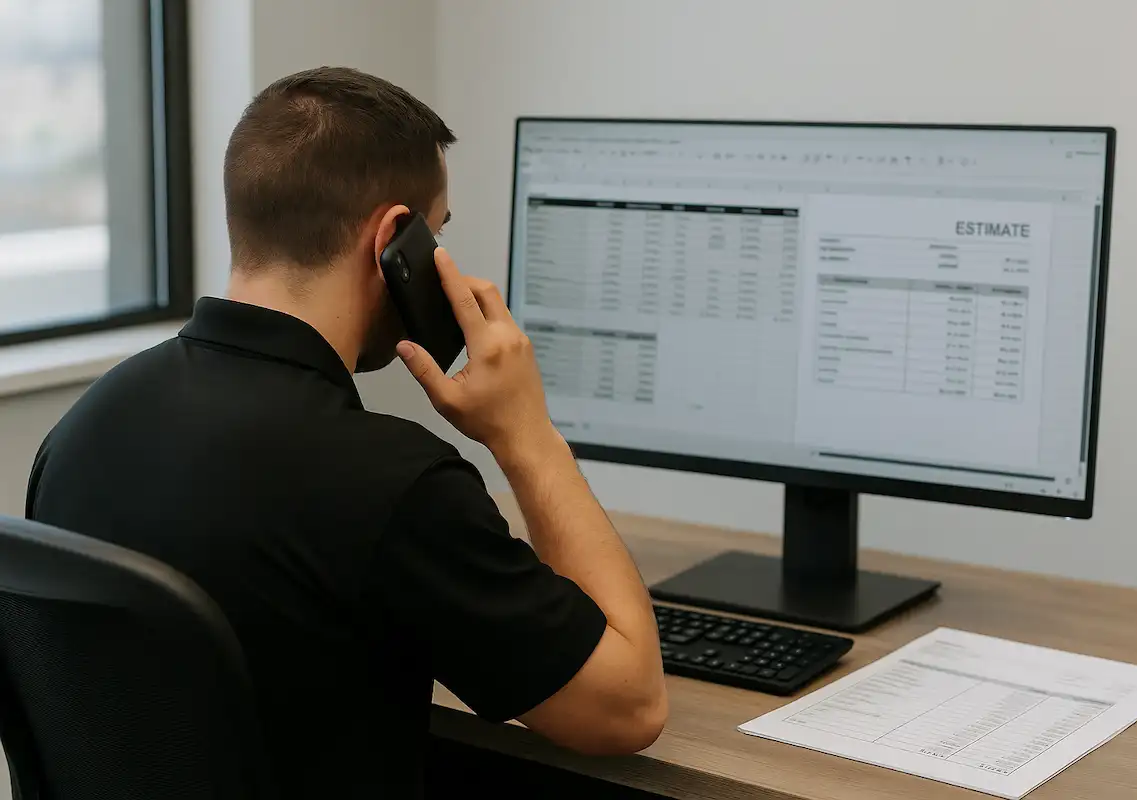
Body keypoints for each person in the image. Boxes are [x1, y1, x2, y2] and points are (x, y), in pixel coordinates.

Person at [25, 66, 667, 798]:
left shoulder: (84, 428)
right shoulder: (392, 483)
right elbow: (629, 707)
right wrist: (527, 434)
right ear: (394, 240)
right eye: (439, 235)